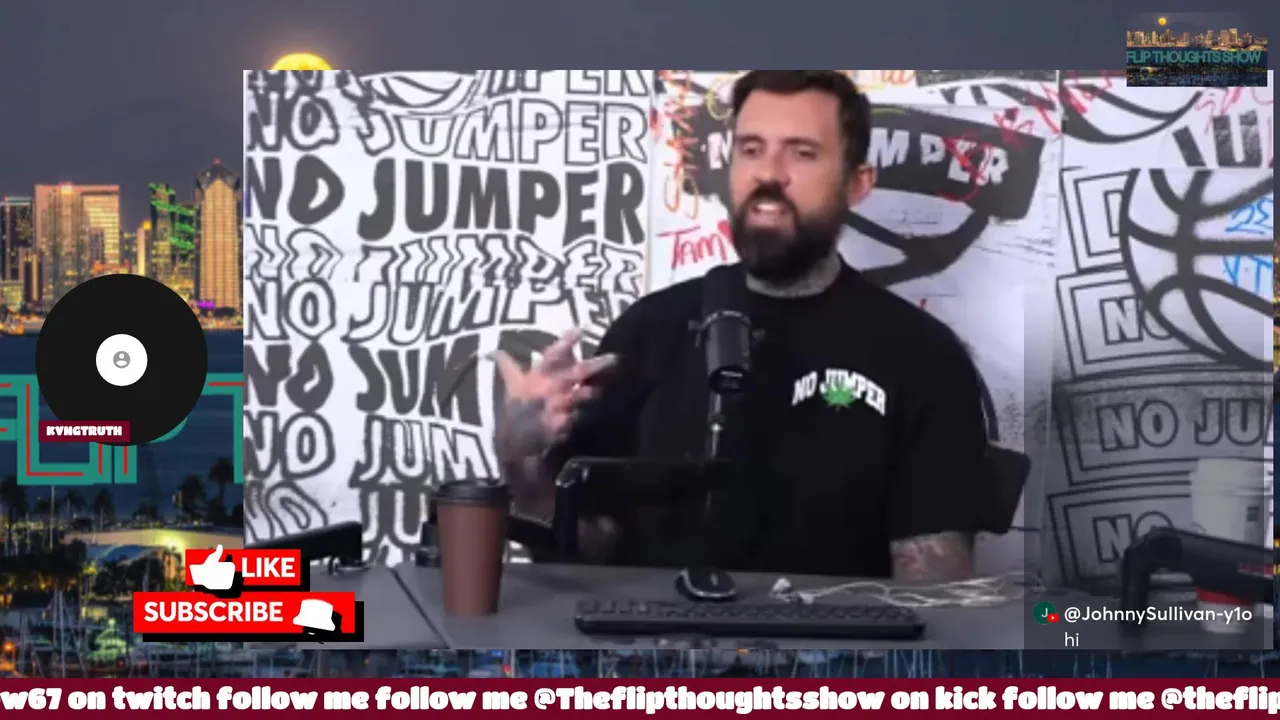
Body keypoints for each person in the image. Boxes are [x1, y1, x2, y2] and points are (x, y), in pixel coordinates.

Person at [493, 70, 991, 583]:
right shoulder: (647, 331)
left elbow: (934, 594)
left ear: (857, 183)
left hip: (832, 635)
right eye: (751, 149)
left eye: (802, 153)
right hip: (650, 633)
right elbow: (582, 557)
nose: (768, 174)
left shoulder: (921, 357)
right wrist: (520, 462)